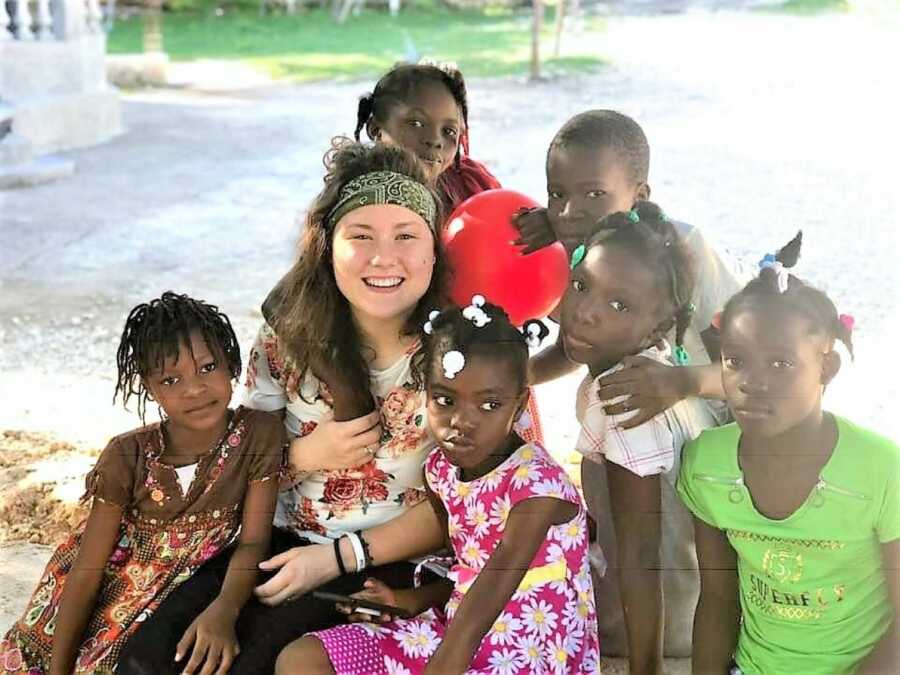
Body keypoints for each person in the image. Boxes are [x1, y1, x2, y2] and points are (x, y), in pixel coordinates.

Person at [116, 141, 450, 674]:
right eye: (360, 236)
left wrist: (337, 558)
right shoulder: (285, 338)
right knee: (150, 658)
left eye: (406, 236)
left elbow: (484, 506)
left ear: (435, 249)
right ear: (327, 247)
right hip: (272, 547)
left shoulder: (463, 356)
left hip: (390, 567)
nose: (384, 257)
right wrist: (304, 456)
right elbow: (240, 464)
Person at [277, 299, 599, 674]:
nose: (461, 421)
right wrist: (406, 600)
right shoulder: (441, 471)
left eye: (490, 405)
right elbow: (467, 571)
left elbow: (486, 599)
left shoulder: (539, 488)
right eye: (444, 400)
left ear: (519, 404)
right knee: (301, 660)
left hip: (530, 651)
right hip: (452, 628)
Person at [0, 292, 284, 675]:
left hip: (188, 589)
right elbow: (88, 570)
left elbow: (252, 541)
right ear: (150, 388)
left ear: (231, 364)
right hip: (108, 591)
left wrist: (224, 610)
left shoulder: (258, 435)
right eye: (171, 378)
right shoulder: (126, 455)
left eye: (207, 367)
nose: (194, 389)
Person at [678, 233, 899, 675]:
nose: (751, 381)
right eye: (735, 360)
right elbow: (719, 599)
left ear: (827, 368)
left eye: (780, 363)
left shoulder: (881, 471)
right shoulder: (707, 467)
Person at [558, 202, 719, 673]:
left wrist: (641, 668)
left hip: (661, 632)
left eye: (618, 304)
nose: (585, 313)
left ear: (658, 323)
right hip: (684, 607)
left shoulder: (628, 401)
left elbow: (640, 556)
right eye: (581, 285)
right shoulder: (656, 368)